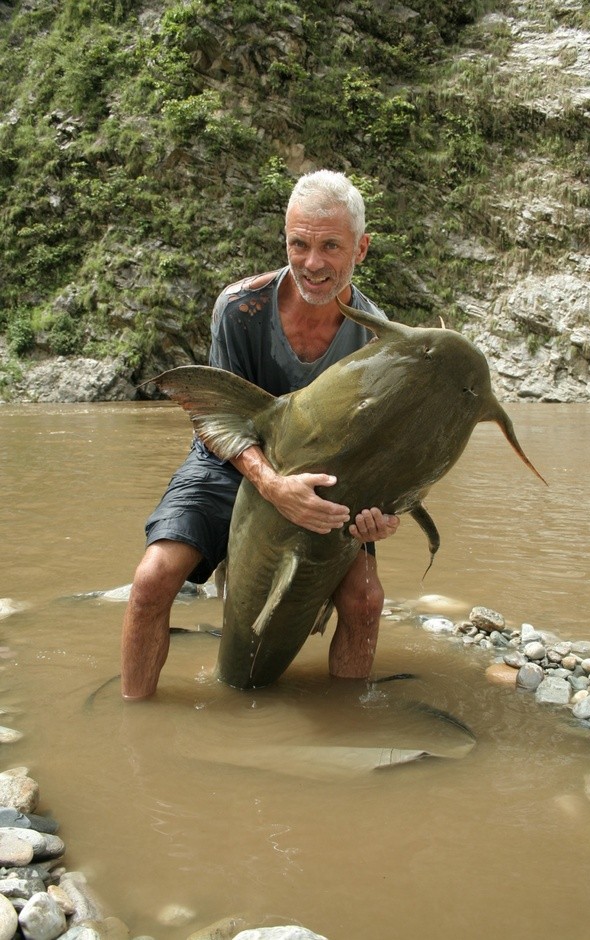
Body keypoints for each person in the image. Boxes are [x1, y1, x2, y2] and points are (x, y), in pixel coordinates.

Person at [121, 169, 400, 700]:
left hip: (321, 474)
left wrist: (379, 515)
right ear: (286, 240)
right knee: (152, 580)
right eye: (299, 244)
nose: (312, 263)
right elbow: (215, 418)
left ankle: (341, 732)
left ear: (360, 249)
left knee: (365, 600)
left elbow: (375, 446)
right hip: (229, 458)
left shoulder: (375, 337)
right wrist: (271, 485)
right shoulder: (240, 308)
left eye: (330, 246)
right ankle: (135, 724)